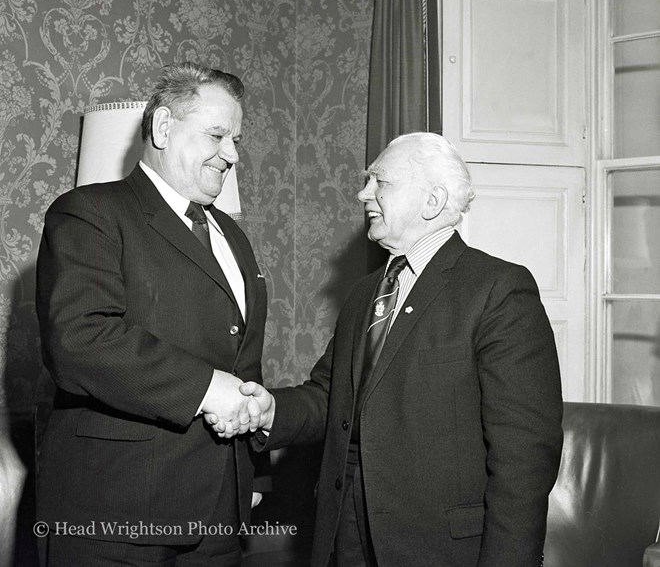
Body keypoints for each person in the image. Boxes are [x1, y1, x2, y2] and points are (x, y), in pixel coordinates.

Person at [231, 132, 564, 567]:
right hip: (343, 537)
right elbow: (330, 397)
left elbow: (524, 460)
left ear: (432, 201)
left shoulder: (497, 290)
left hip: (438, 549)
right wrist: (268, 409)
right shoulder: (364, 293)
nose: (362, 192)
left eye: (379, 182)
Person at [36, 62, 268, 566]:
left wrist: (251, 474)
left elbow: (243, 361)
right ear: (163, 127)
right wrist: (207, 388)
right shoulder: (89, 213)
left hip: (219, 519)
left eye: (236, 140)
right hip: (113, 516)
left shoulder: (234, 237)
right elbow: (80, 340)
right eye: (216, 135)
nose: (231, 155)